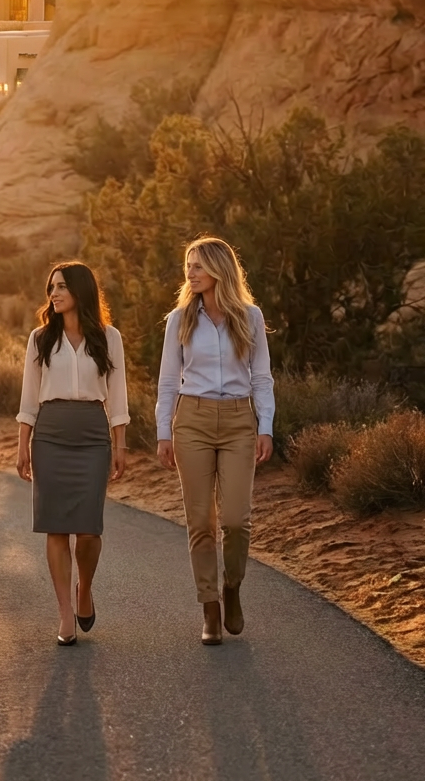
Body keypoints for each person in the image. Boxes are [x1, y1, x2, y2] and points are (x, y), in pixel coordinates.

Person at [155, 237, 274, 645]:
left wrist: (265, 426)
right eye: (188, 265)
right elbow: (168, 380)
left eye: (198, 265)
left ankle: (232, 587)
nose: (190, 272)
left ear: (219, 269)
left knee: (237, 520)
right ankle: (209, 608)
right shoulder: (180, 319)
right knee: (200, 521)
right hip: (193, 420)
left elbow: (262, 376)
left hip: (241, 419)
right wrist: (163, 431)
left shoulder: (250, 316)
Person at [16, 262, 128, 646]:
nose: (54, 294)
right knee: (56, 525)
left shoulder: (108, 337)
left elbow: (118, 395)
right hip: (50, 434)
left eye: (61, 286)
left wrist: (120, 444)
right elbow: (29, 396)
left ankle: (85, 588)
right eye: (51, 288)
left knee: (89, 528)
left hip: (93, 434)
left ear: (81, 290)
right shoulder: (40, 338)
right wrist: (22, 445)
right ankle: (65, 611)